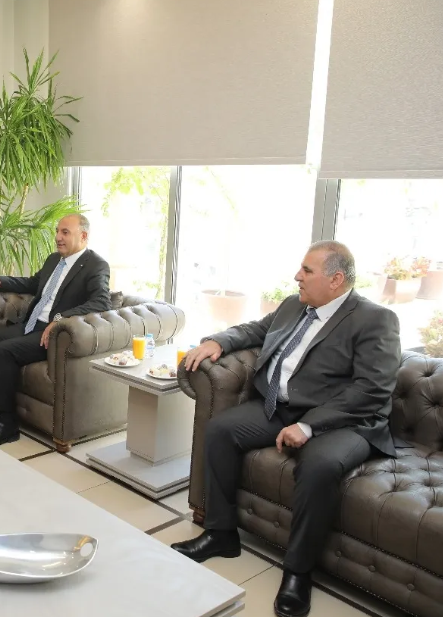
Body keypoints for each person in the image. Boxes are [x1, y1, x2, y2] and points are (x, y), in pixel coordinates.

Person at [170, 241, 401, 617]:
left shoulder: (375, 319)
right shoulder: (295, 304)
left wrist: (309, 425)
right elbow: (255, 330)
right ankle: (221, 533)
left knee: (319, 465)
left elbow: (372, 390)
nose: (297, 276)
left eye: (307, 270)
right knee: (220, 430)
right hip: (281, 408)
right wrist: (217, 341)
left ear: (336, 279)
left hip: (345, 422)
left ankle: (298, 572)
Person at [0, 214, 111, 446]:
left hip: (54, 333)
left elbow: (101, 302)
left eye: (65, 232)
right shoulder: (54, 260)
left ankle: (7, 423)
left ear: (83, 236)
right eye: (57, 231)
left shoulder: (95, 265)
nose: (58, 237)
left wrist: (61, 319)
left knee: (5, 350)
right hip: (31, 324)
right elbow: (33, 283)